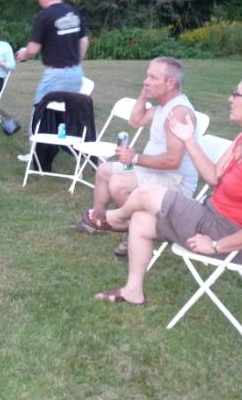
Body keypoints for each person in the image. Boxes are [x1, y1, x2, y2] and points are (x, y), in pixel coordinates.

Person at [93, 70, 242, 305]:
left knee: (146, 193)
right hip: (212, 216)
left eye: (236, 94)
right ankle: (133, 291)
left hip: (235, 238)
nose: (230, 99)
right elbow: (213, 177)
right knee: (141, 220)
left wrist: (215, 246)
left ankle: (116, 218)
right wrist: (188, 139)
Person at [78, 57, 199, 258]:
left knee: (118, 184)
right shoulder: (163, 106)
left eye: (153, 78)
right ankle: (96, 222)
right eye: (147, 76)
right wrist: (145, 94)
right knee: (104, 170)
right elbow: (135, 121)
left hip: (176, 181)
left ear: (170, 83)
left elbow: (173, 161)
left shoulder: (178, 112)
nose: (146, 81)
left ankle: (133, 230)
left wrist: (135, 159)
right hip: (154, 170)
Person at [16, 0, 89, 106]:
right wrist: (76, 63)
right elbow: (84, 41)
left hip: (56, 76)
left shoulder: (44, 16)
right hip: (76, 74)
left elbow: (33, 49)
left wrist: (24, 54)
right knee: (65, 113)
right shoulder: (73, 12)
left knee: (40, 113)